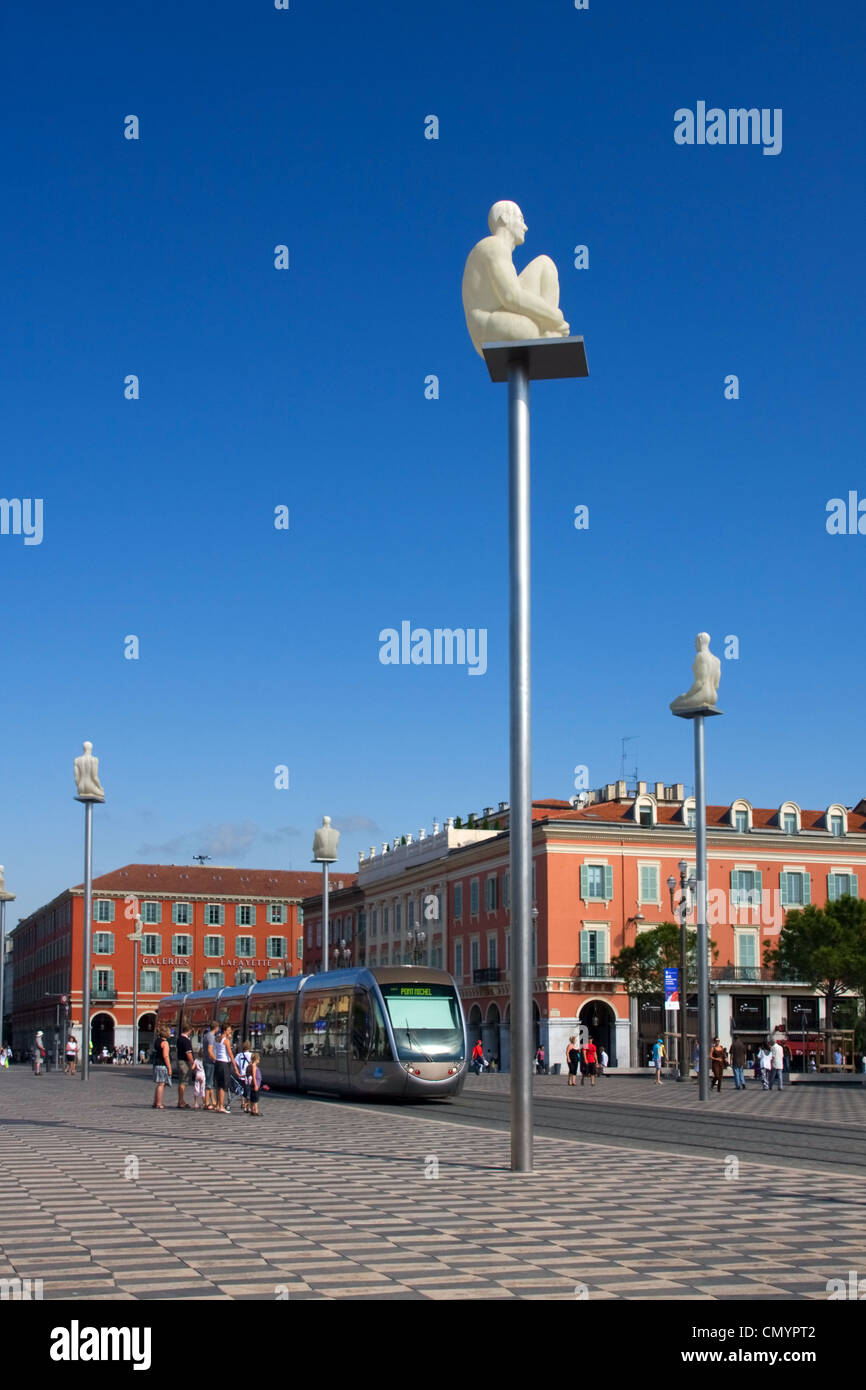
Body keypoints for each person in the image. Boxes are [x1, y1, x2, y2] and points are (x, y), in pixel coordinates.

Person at [213, 1022, 237, 1113]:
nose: (230, 1031)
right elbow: (230, 1053)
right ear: (225, 1030)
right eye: (229, 1030)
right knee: (223, 1086)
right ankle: (221, 1106)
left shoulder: (217, 1038)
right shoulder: (226, 1041)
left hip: (218, 1062)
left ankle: (218, 1105)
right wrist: (235, 1065)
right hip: (224, 1063)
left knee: (218, 1085)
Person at [151, 1027, 172, 1108]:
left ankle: (155, 1102)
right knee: (161, 1084)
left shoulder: (157, 1041)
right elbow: (166, 1055)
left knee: (159, 1084)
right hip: (162, 1065)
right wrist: (169, 1067)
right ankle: (159, 1103)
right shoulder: (165, 1043)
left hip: (156, 1064)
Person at [175, 1024, 195, 1110]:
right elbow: (188, 1053)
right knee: (184, 1081)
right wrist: (193, 1062)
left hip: (180, 1060)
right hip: (184, 1062)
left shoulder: (179, 1039)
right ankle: (181, 1101)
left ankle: (181, 1100)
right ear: (189, 1031)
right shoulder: (186, 1040)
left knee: (181, 1081)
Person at [202, 1020, 217, 1110]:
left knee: (210, 1082)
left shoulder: (206, 1035)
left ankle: (213, 1101)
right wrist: (216, 1059)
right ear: (216, 1028)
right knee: (209, 1083)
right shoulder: (211, 1037)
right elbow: (210, 1050)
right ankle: (207, 1103)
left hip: (206, 1061)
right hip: (210, 1062)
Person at [235, 1038, 253, 1112]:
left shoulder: (239, 1055)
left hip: (241, 1075)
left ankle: (242, 1102)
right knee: (248, 1090)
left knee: (242, 1089)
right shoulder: (251, 1055)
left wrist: (237, 1070)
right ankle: (247, 1105)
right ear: (249, 1047)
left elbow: (235, 1063)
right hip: (249, 1076)